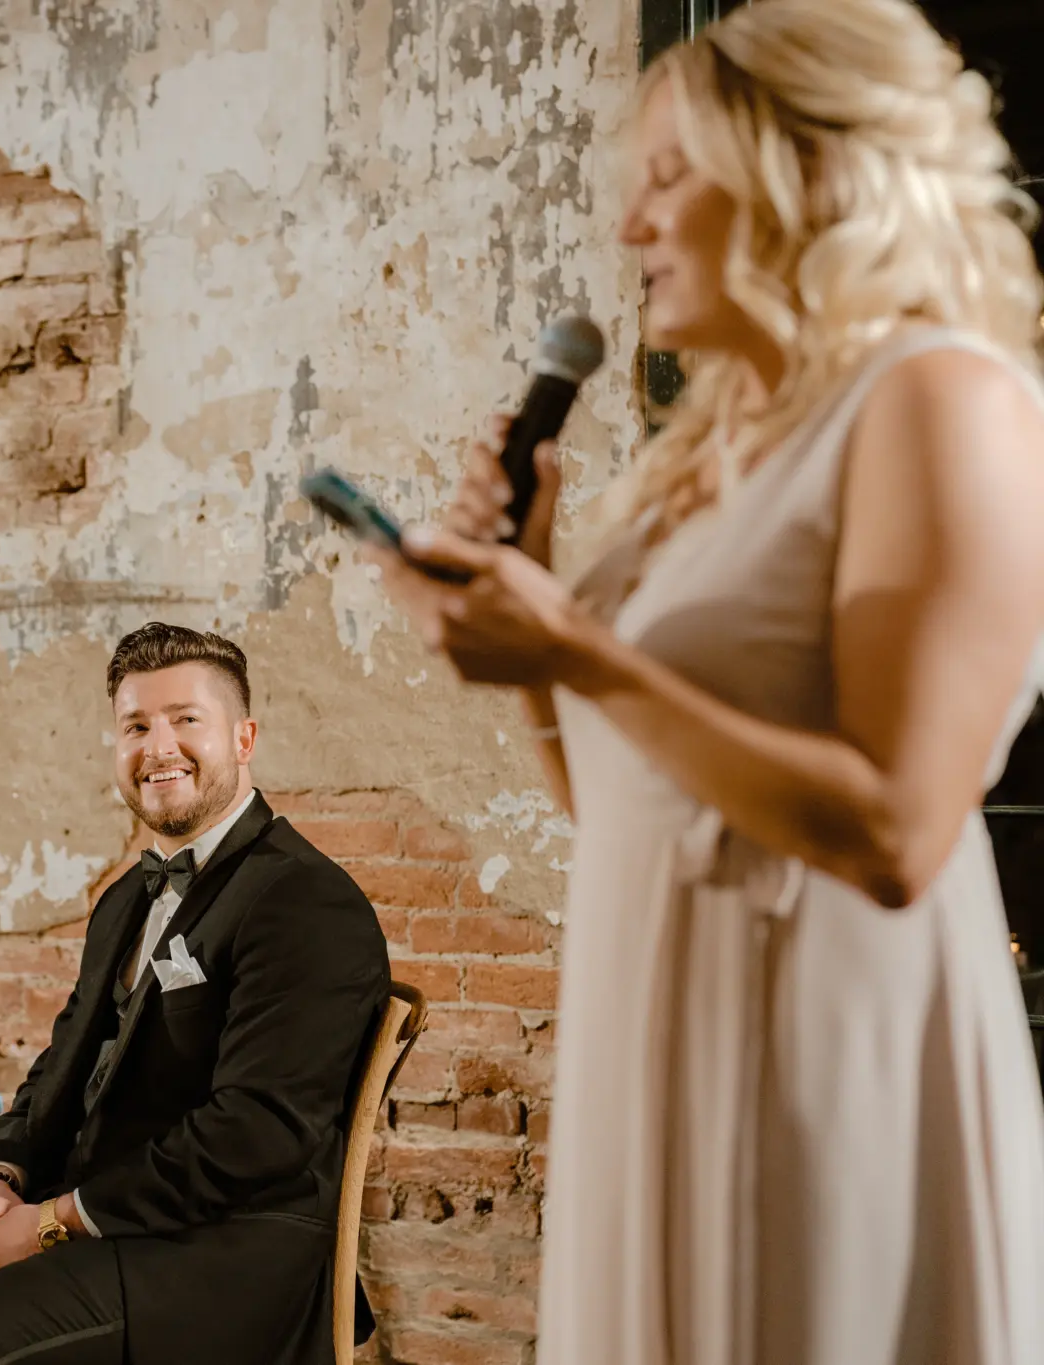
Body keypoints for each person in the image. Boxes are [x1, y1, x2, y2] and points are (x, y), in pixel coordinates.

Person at [366, 1, 1044, 1360]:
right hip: (654, 1023)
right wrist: (539, 621)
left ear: (811, 171)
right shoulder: (713, 454)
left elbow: (899, 828)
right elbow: (623, 795)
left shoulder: (940, 396)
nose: (632, 230)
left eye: (668, 178)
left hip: (819, 1038)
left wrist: (572, 644)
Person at [0, 623, 390, 1365]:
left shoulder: (303, 899)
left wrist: (51, 1221)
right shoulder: (124, 899)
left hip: (229, 1257)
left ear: (243, 738)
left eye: (187, 720)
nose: (159, 746)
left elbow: (257, 1131)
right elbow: (61, 1067)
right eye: (136, 725)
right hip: (114, 1227)